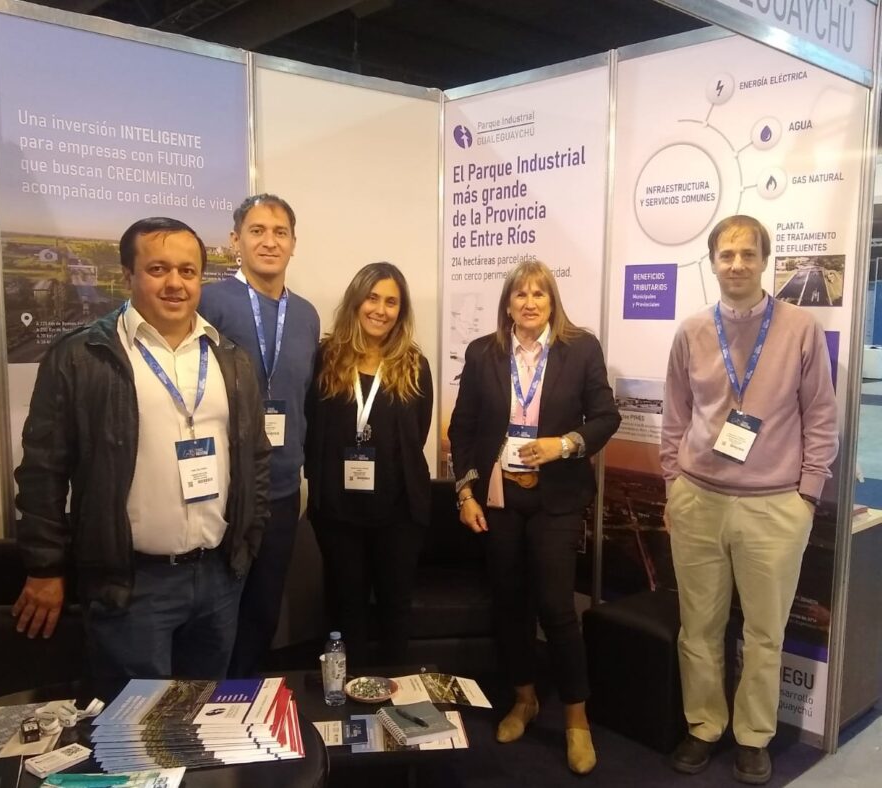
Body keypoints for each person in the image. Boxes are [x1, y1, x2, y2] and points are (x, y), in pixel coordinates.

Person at [12, 217, 270, 680]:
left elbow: (256, 458)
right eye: (158, 269)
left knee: (204, 714)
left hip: (218, 580)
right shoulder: (83, 356)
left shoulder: (230, 359)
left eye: (187, 271)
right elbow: (43, 470)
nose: (175, 283)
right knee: (136, 722)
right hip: (131, 586)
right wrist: (44, 567)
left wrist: (247, 544)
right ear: (128, 275)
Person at [661, 215, 838, 785]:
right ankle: (704, 725)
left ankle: (754, 736)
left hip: (774, 507)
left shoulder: (800, 329)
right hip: (699, 500)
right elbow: (675, 413)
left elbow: (821, 415)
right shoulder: (692, 331)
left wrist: (807, 495)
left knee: (764, 633)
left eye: (747, 254)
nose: (736, 264)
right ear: (713, 262)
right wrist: (673, 483)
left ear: (765, 261)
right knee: (698, 628)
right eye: (726, 254)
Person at [448, 259, 620, 775]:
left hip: (557, 498)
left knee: (556, 606)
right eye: (520, 294)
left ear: (551, 302)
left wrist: (564, 444)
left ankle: (576, 719)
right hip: (499, 498)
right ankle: (523, 698)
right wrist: (465, 493)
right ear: (507, 304)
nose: (529, 303)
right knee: (509, 603)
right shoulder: (483, 353)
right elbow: (463, 429)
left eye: (538, 294)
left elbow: (606, 416)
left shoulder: (580, 349)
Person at [200, 194, 320, 678]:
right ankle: (213, 709)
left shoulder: (306, 315)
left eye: (280, 232)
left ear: (294, 243)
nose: (269, 241)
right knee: (217, 615)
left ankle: (246, 704)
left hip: (283, 490)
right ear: (236, 240)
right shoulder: (209, 302)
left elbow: (304, 397)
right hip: (224, 491)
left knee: (264, 610)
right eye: (257, 230)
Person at [304, 262, 432, 667]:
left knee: (396, 608)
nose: (381, 309)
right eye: (372, 298)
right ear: (356, 301)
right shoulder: (326, 358)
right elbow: (312, 426)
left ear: (401, 310)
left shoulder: (414, 365)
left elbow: (418, 434)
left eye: (391, 302)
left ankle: (395, 691)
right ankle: (348, 693)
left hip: (399, 514)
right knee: (346, 609)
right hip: (338, 514)